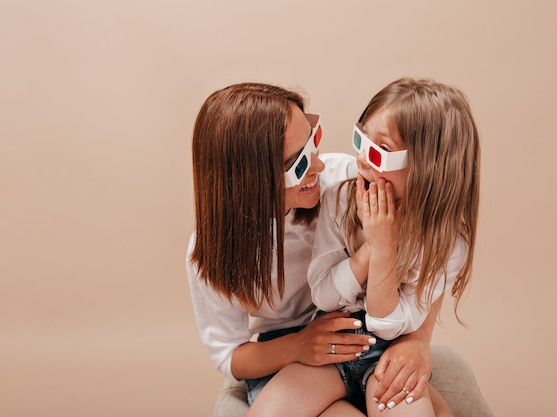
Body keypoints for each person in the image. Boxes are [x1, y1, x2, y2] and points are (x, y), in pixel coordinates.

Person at [186, 82, 452, 416]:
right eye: (298, 166)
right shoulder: (212, 251)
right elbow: (230, 356)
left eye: (313, 139)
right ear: (249, 180)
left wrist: (418, 340)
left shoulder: (343, 182)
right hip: (287, 356)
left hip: (366, 335)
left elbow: (434, 244)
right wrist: (299, 346)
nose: (319, 166)